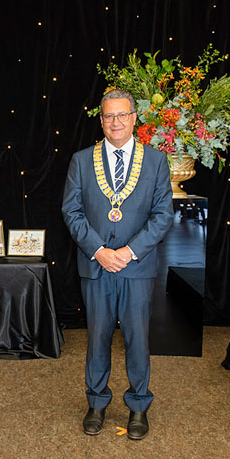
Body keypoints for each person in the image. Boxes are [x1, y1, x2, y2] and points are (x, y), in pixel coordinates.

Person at [61, 88, 173, 440]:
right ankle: (96, 402)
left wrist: (128, 251)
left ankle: (139, 406)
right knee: (97, 338)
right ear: (101, 120)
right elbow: (72, 211)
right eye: (109, 116)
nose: (115, 122)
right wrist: (99, 250)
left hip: (136, 267)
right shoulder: (81, 160)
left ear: (134, 118)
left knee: (137, 339)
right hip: (96, 267)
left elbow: (162, 215)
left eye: (122, 115)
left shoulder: (155, 161)